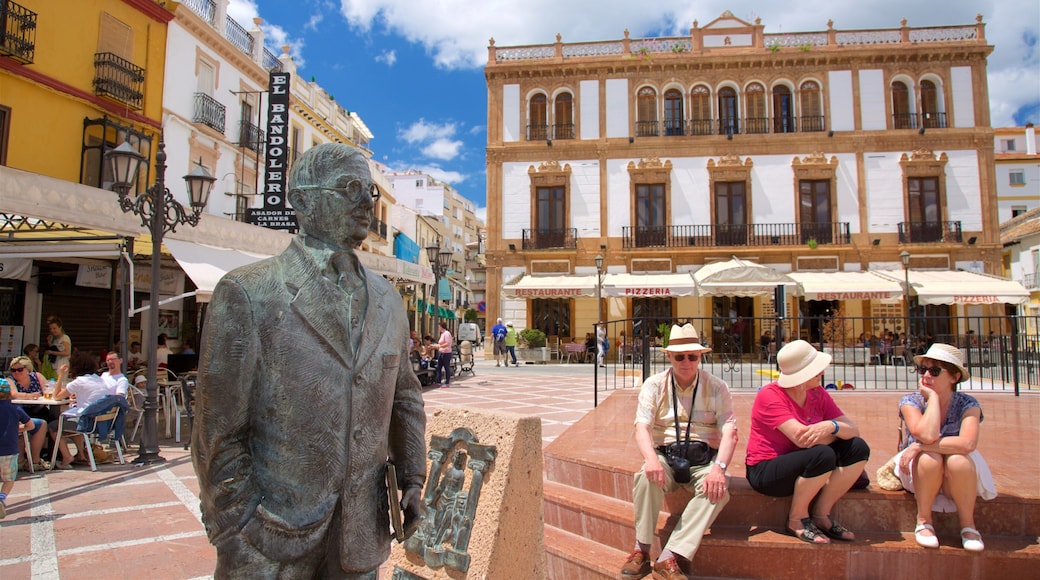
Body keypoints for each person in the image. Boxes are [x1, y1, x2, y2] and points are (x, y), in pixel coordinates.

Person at [193, 142, 427, 578]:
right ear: (301, 200)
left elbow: (405, 399)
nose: (366, 202)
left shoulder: (388, 300)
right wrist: (239, 522)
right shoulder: (247, 291)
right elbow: (216, 431)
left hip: (361, 534)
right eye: (350, 188)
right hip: (268, 537)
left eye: (370, 191)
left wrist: (413, 478)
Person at [621, 324, 737, 580]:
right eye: (680, 356)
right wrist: (651, 459)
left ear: (700, 357)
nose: (686, 362)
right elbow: (642, 427)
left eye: (692, 356)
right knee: (645, 476)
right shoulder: (654, 385)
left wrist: (719, 468)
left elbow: (730, 431)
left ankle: (670, 555)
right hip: (666, 454)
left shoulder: (717, 387)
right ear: (669, 357)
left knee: (718, 489)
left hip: (703, 457)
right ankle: (641, 550)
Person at [745, 340, 870, 544]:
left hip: (806, 462)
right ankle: (797, 518)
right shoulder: (769, 396)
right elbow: (803, 439)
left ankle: (821, 514)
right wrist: (835, 432)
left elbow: (853, 430)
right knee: (822, 454)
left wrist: (830, 426)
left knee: (857, 447)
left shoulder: (817, 393)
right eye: (816, 369)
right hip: (767, 470)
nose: (822, 372)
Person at [895, 343, 994, 552]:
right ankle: (924, 521)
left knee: (958, 460)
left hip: (955, 472)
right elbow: (927, 434)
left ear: (954, 377)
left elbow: (968, 443)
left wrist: (920, 446)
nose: (926, 375)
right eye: (923, 369)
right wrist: (932, 399)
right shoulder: (911, 401)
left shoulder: (968, 404)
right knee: (930, 459)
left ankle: (968, 526)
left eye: (935, 371)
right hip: (919, 470)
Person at [49, 351, 113, 469]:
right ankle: (81, 455)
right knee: (72, 423)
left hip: (88, 423)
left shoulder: (78, 382)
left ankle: (67, 456)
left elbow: (56, 396)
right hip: (102, 422)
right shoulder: (99, 380)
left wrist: (60, 375)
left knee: (54, 426)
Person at [6, 357, 51, 470]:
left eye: (20, 369)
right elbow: (14, 394)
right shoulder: (10, 380)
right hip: (21, 413)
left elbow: (48, 389)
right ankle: (32, 461)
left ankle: (38, 458)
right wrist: (29, 396)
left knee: (54, 422)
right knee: (40, 424)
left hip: (38, 409)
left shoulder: (37, 376)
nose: (16, 372)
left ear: (28, 369)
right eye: (13, 370)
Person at [0, 380, 36, 518]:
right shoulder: (15, 408)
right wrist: (18, 428)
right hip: (9, 449)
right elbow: (31, 425)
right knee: (8, 479)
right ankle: (1, 498)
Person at [433, 321, 453, 388]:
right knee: (439, 367)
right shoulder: (442, 334)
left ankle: (447, 382)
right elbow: (441, 343)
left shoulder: (447, 333)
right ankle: (438, 381)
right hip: (441, 353)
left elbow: (447, 343)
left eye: (439, 326)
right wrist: (435, 346)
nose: (438, 328)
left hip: (446, 353)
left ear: (441, 327)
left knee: (446, 367)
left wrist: (439, 346)